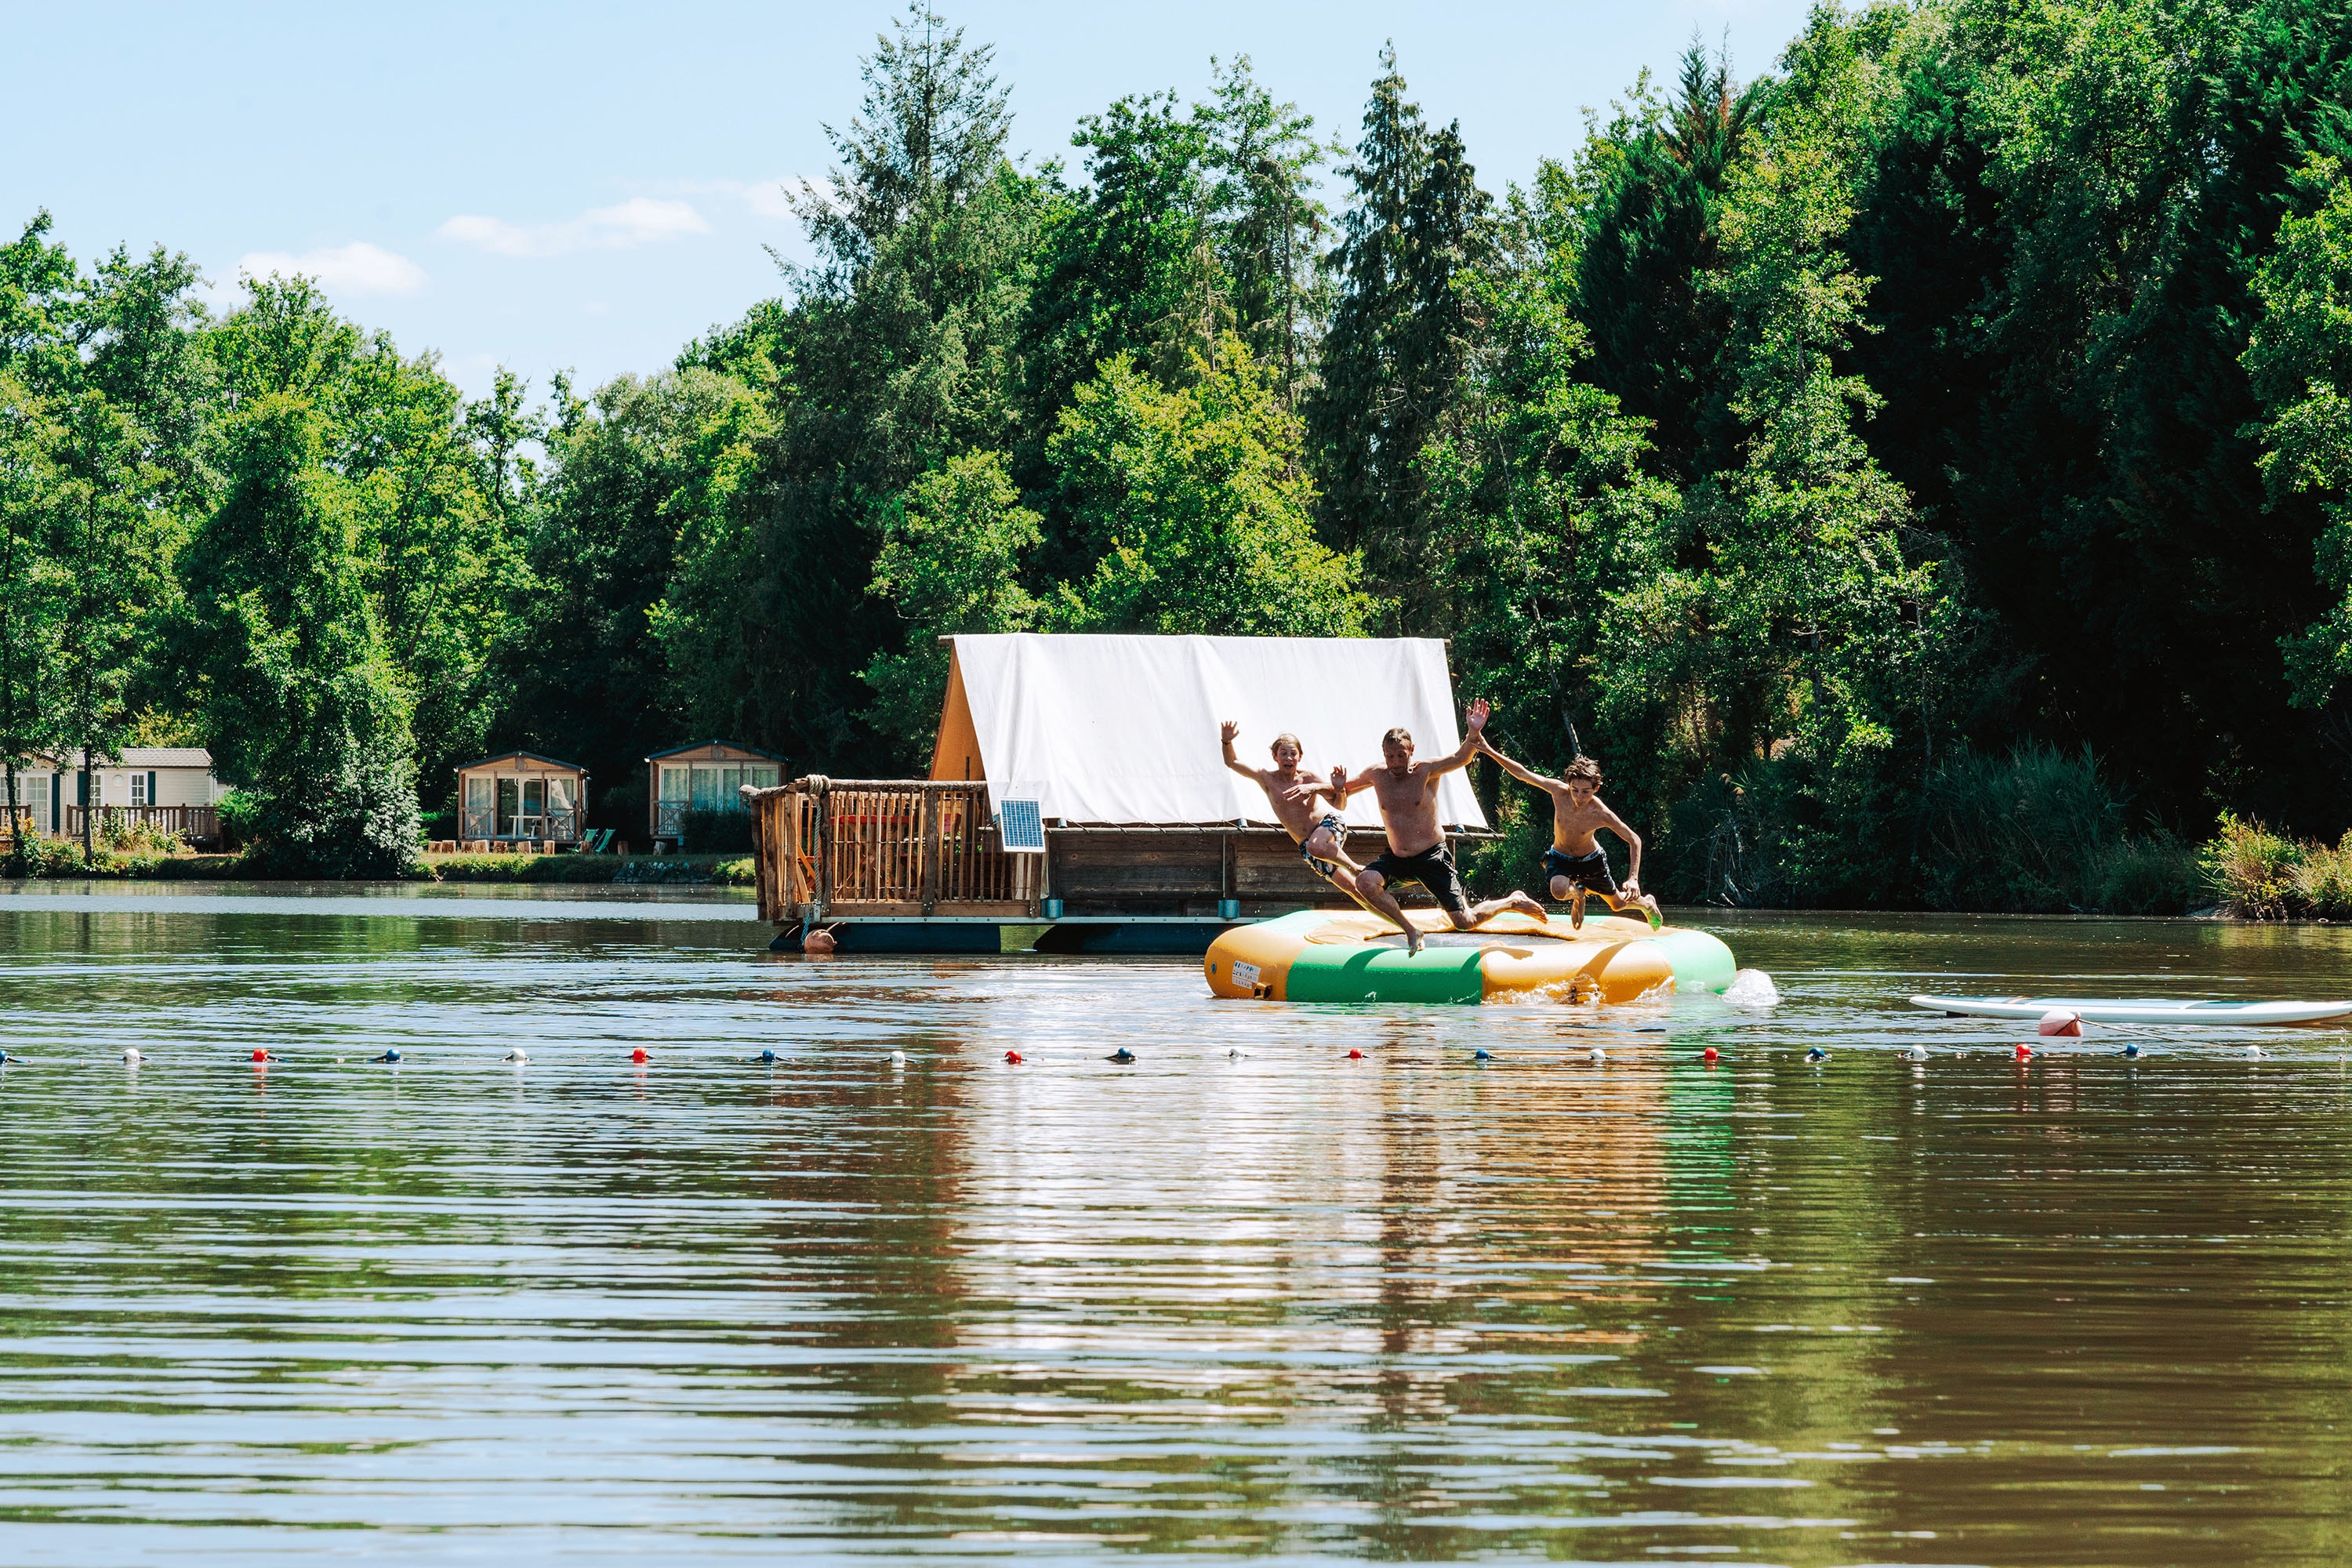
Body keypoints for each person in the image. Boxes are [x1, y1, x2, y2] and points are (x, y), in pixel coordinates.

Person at [1313, 700, 1545, 954]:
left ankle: (1512, 901)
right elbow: (1342, 803)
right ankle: (1411, 930)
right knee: (1365, 883)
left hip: (1432, 857)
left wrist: (1473, 732)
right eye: (1390, 756)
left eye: (1401, 755)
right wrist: (1337, 787)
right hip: (1398, 859)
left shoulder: (1426, 771)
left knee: (1464, 922)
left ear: (1411, 750)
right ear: (1383, 754)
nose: (1396, 762)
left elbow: (1462, 758)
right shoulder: (1376, 774)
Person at [1475, 741, 1661, 931]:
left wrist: (1633, 878)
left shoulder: (1601, 813)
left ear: (1595, 789)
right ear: (1568, 785)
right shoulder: (1558, 792)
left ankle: (1647, 904)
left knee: (1618, 904)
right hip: (1560, 856)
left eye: (1585, 792)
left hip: (1591, 860)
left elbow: (1634, 839)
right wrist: (1489, 751)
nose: (1579, 797)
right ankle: (1578, 895)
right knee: (1558, 890)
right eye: (1575, 790)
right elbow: (1523, 774)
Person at [1219, 720, 1388, 923]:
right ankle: (1395, 922)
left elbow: (1339, 804)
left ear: (1300, 757)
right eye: (1284, 753)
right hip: (1308, 846)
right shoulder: (1267, 779)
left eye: (1293, 754)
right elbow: (1232, 763)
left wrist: (1339, 788)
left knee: (1317, 845)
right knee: (1354, 890)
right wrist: (1227, 741)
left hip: (1328, 826)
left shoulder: (1309, 778)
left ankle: (1356, 868)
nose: (1289, 758)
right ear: (1275, 757)